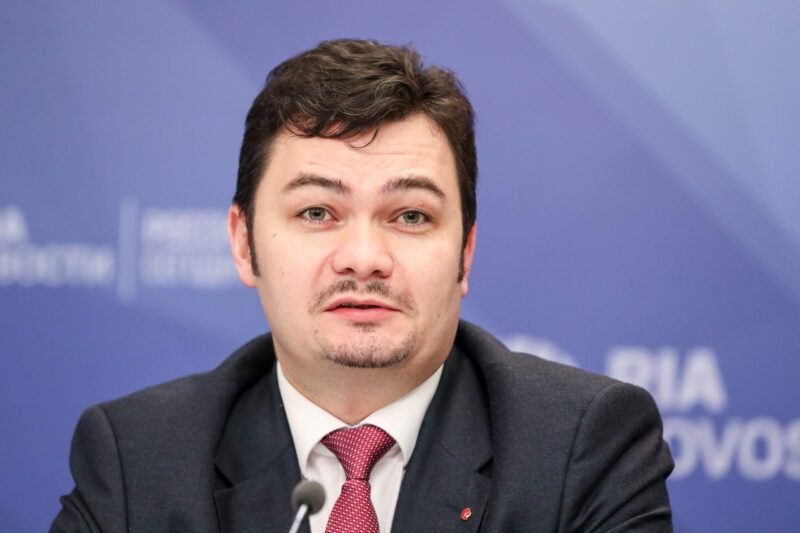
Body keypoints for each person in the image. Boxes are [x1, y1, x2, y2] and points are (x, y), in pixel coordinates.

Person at [51, 39, 673, 532]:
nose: (365, 258)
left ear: (465, 254)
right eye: (317, 212)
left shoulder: (580, 448)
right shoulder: (138, 458)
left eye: (411, 216)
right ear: (243, 244)